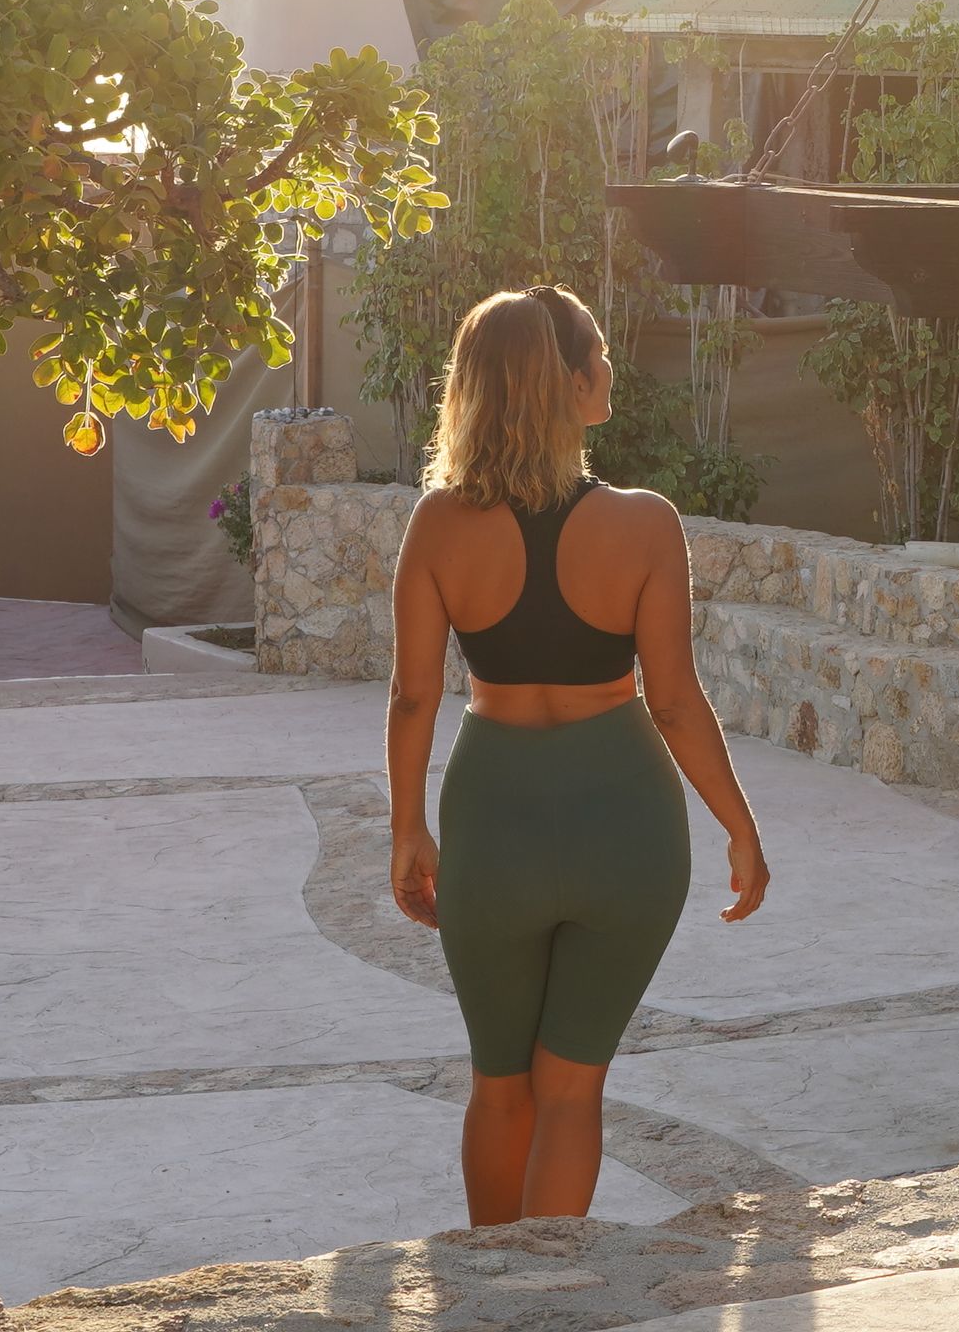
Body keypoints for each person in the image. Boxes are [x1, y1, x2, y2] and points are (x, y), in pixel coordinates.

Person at [383, 283, 770, 1222]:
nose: (608, 369)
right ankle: (559, 1300)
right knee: (570, 1090)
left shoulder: (437, 525)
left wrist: (407, 830)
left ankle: (486, 1304)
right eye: (596, 352)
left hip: (494, 820)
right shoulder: (645, 524)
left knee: (499, 1086)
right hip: (624, 823)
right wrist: (740, 829)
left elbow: (413, 696)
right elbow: (674, 703)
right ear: (568, 379)